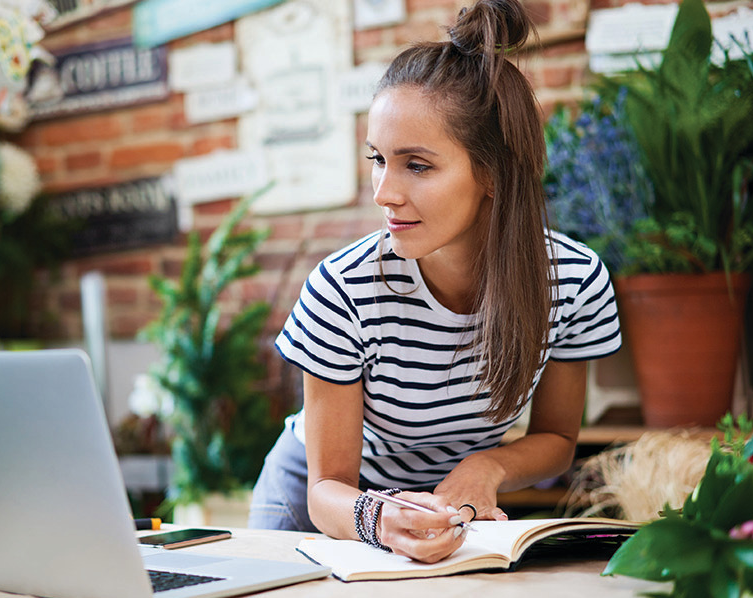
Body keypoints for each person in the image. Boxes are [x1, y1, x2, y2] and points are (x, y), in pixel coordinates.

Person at [247, 0, 622, 564]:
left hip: (450, 507)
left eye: (416, 165)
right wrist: (381, 517)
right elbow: (326, 490)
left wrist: (486, 467)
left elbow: (559, 442)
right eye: (378, 159)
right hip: (320, 503)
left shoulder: (572, 283)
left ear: (492, 173)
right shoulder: (342, 289)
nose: (384, 193)